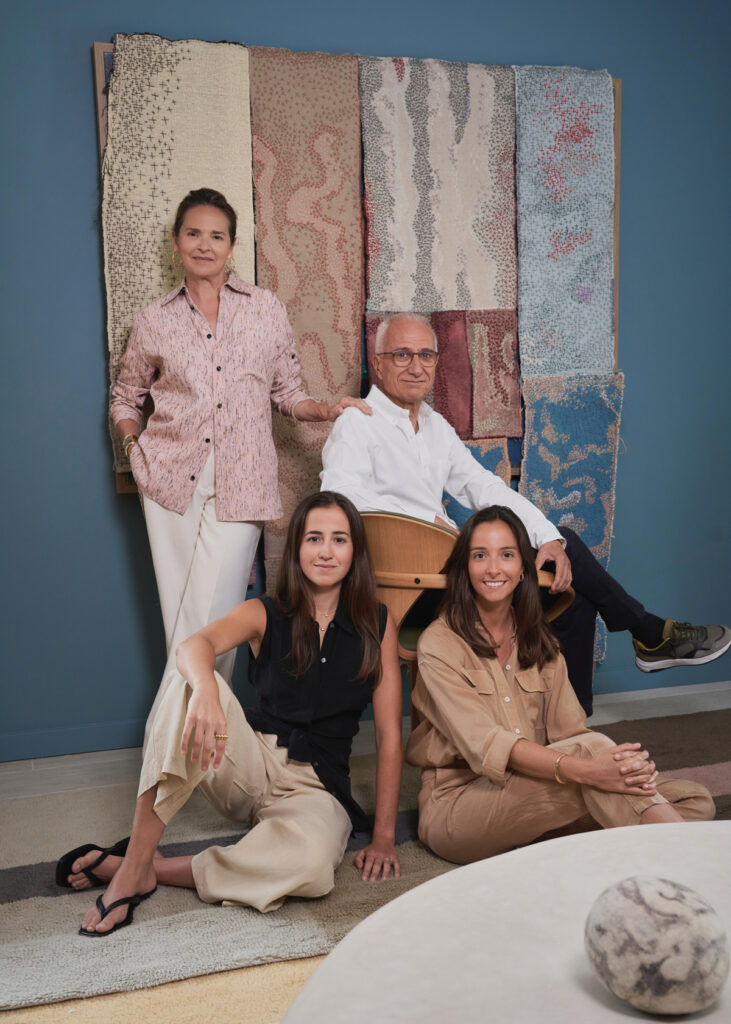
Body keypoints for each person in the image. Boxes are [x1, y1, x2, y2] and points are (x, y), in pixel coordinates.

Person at [320, 312, 730, 714]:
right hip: (406, 593)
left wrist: (547, 536)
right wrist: (425, 522)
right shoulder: (357, 423)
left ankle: (572, 733)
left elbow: (485, 487)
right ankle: (649, 634)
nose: (416, 366)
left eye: (426, 355)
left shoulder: (434, 426)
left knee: (569, 589)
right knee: (568, 566)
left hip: (448, 578)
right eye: (402, 355)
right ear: (378, 364)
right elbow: (339, 498)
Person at [56, 492, 403, 935]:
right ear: (297, 548)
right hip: (249, 762)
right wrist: (205, 689)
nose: (325, 551)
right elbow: (193, 646)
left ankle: (150, 870)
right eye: (314, 538)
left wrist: (384, 836)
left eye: (339, 539)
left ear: (355, 552)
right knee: (186, 682)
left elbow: (389, 736)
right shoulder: (265, 612)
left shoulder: (378, 624)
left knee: (311, 868)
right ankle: (135, 863)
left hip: (318, 789)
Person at [110, 187, 371, 728]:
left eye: (216, 235)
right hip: (167, 481)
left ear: (231, 245)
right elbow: (125, 397)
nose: (204, 245)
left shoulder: (265, 309)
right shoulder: (154, 318)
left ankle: (170, 750)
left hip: (244, 480)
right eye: (193, 233)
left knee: (212, 619)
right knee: (180, 619)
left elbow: (287, 392)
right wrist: (135, 450)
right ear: (176, 242)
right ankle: (201, 754)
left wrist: (327, 409)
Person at [405, 506, 714, 864]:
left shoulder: (541, 643)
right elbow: (490, 744)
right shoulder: (439, 643)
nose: (493, 568)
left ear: (524, 568)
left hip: (537, 790)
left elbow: (571, 735)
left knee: (695, 801)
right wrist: (593, 771)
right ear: (463, 568)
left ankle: (550, 843)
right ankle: (692, 864)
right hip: (460, 806)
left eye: (507, 555)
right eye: (479, 556)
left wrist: (617, 769)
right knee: (599, 767)